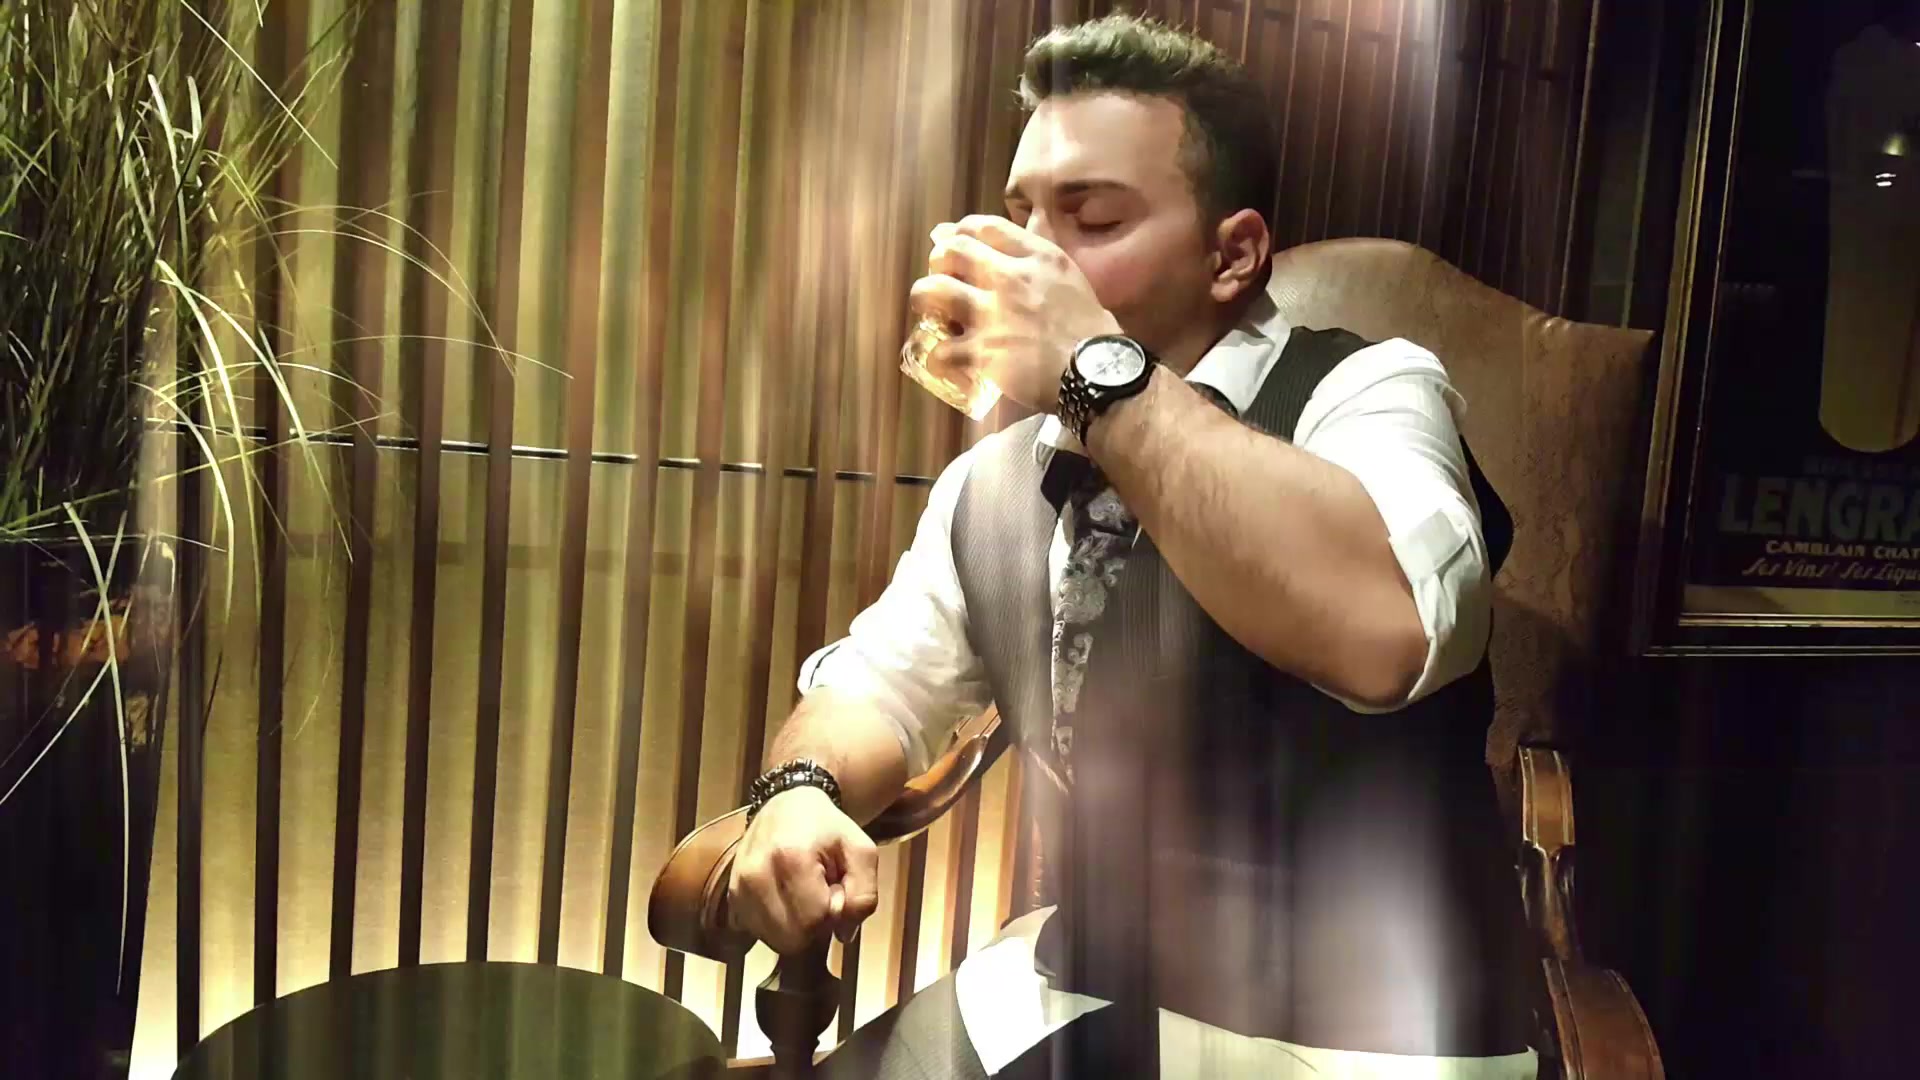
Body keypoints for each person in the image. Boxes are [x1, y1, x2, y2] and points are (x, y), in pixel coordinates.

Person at [727, 14, 1536, 1078]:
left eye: (1092, 219)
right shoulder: (996, 478)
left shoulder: (1368, 389)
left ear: (1233, 254)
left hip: (1368, 1033)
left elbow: (1391, 634)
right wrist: (800, 788)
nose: (1032, 259)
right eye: (1023, 214)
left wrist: (1094, 370)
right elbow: (879, 688)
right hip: (1076, 992)